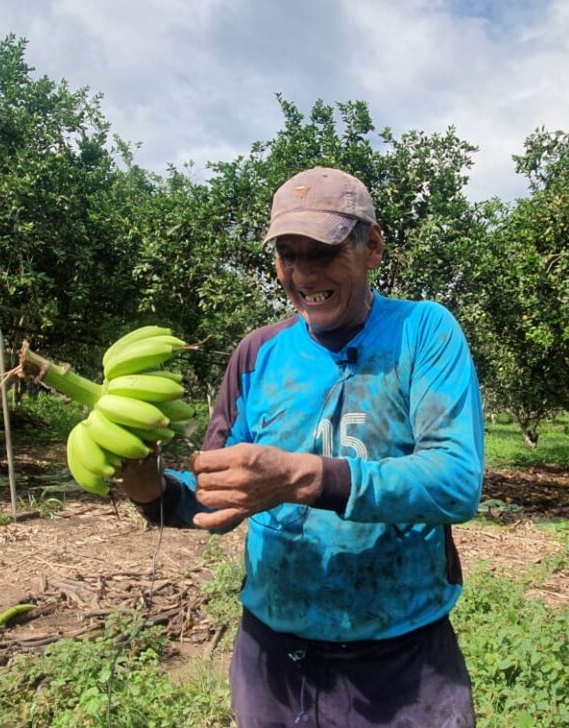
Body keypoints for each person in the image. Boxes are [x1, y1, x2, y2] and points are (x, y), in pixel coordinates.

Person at [116, 166, 484, 727]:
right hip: (274, 656)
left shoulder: (423, 331)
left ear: (372, 246)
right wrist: (151, 490)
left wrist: (305, 477)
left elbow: (455, 480)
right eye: (288, 254)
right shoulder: (257, 354)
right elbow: (216, 495)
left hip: (402, 655)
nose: (304, 274)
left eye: (324, 252)